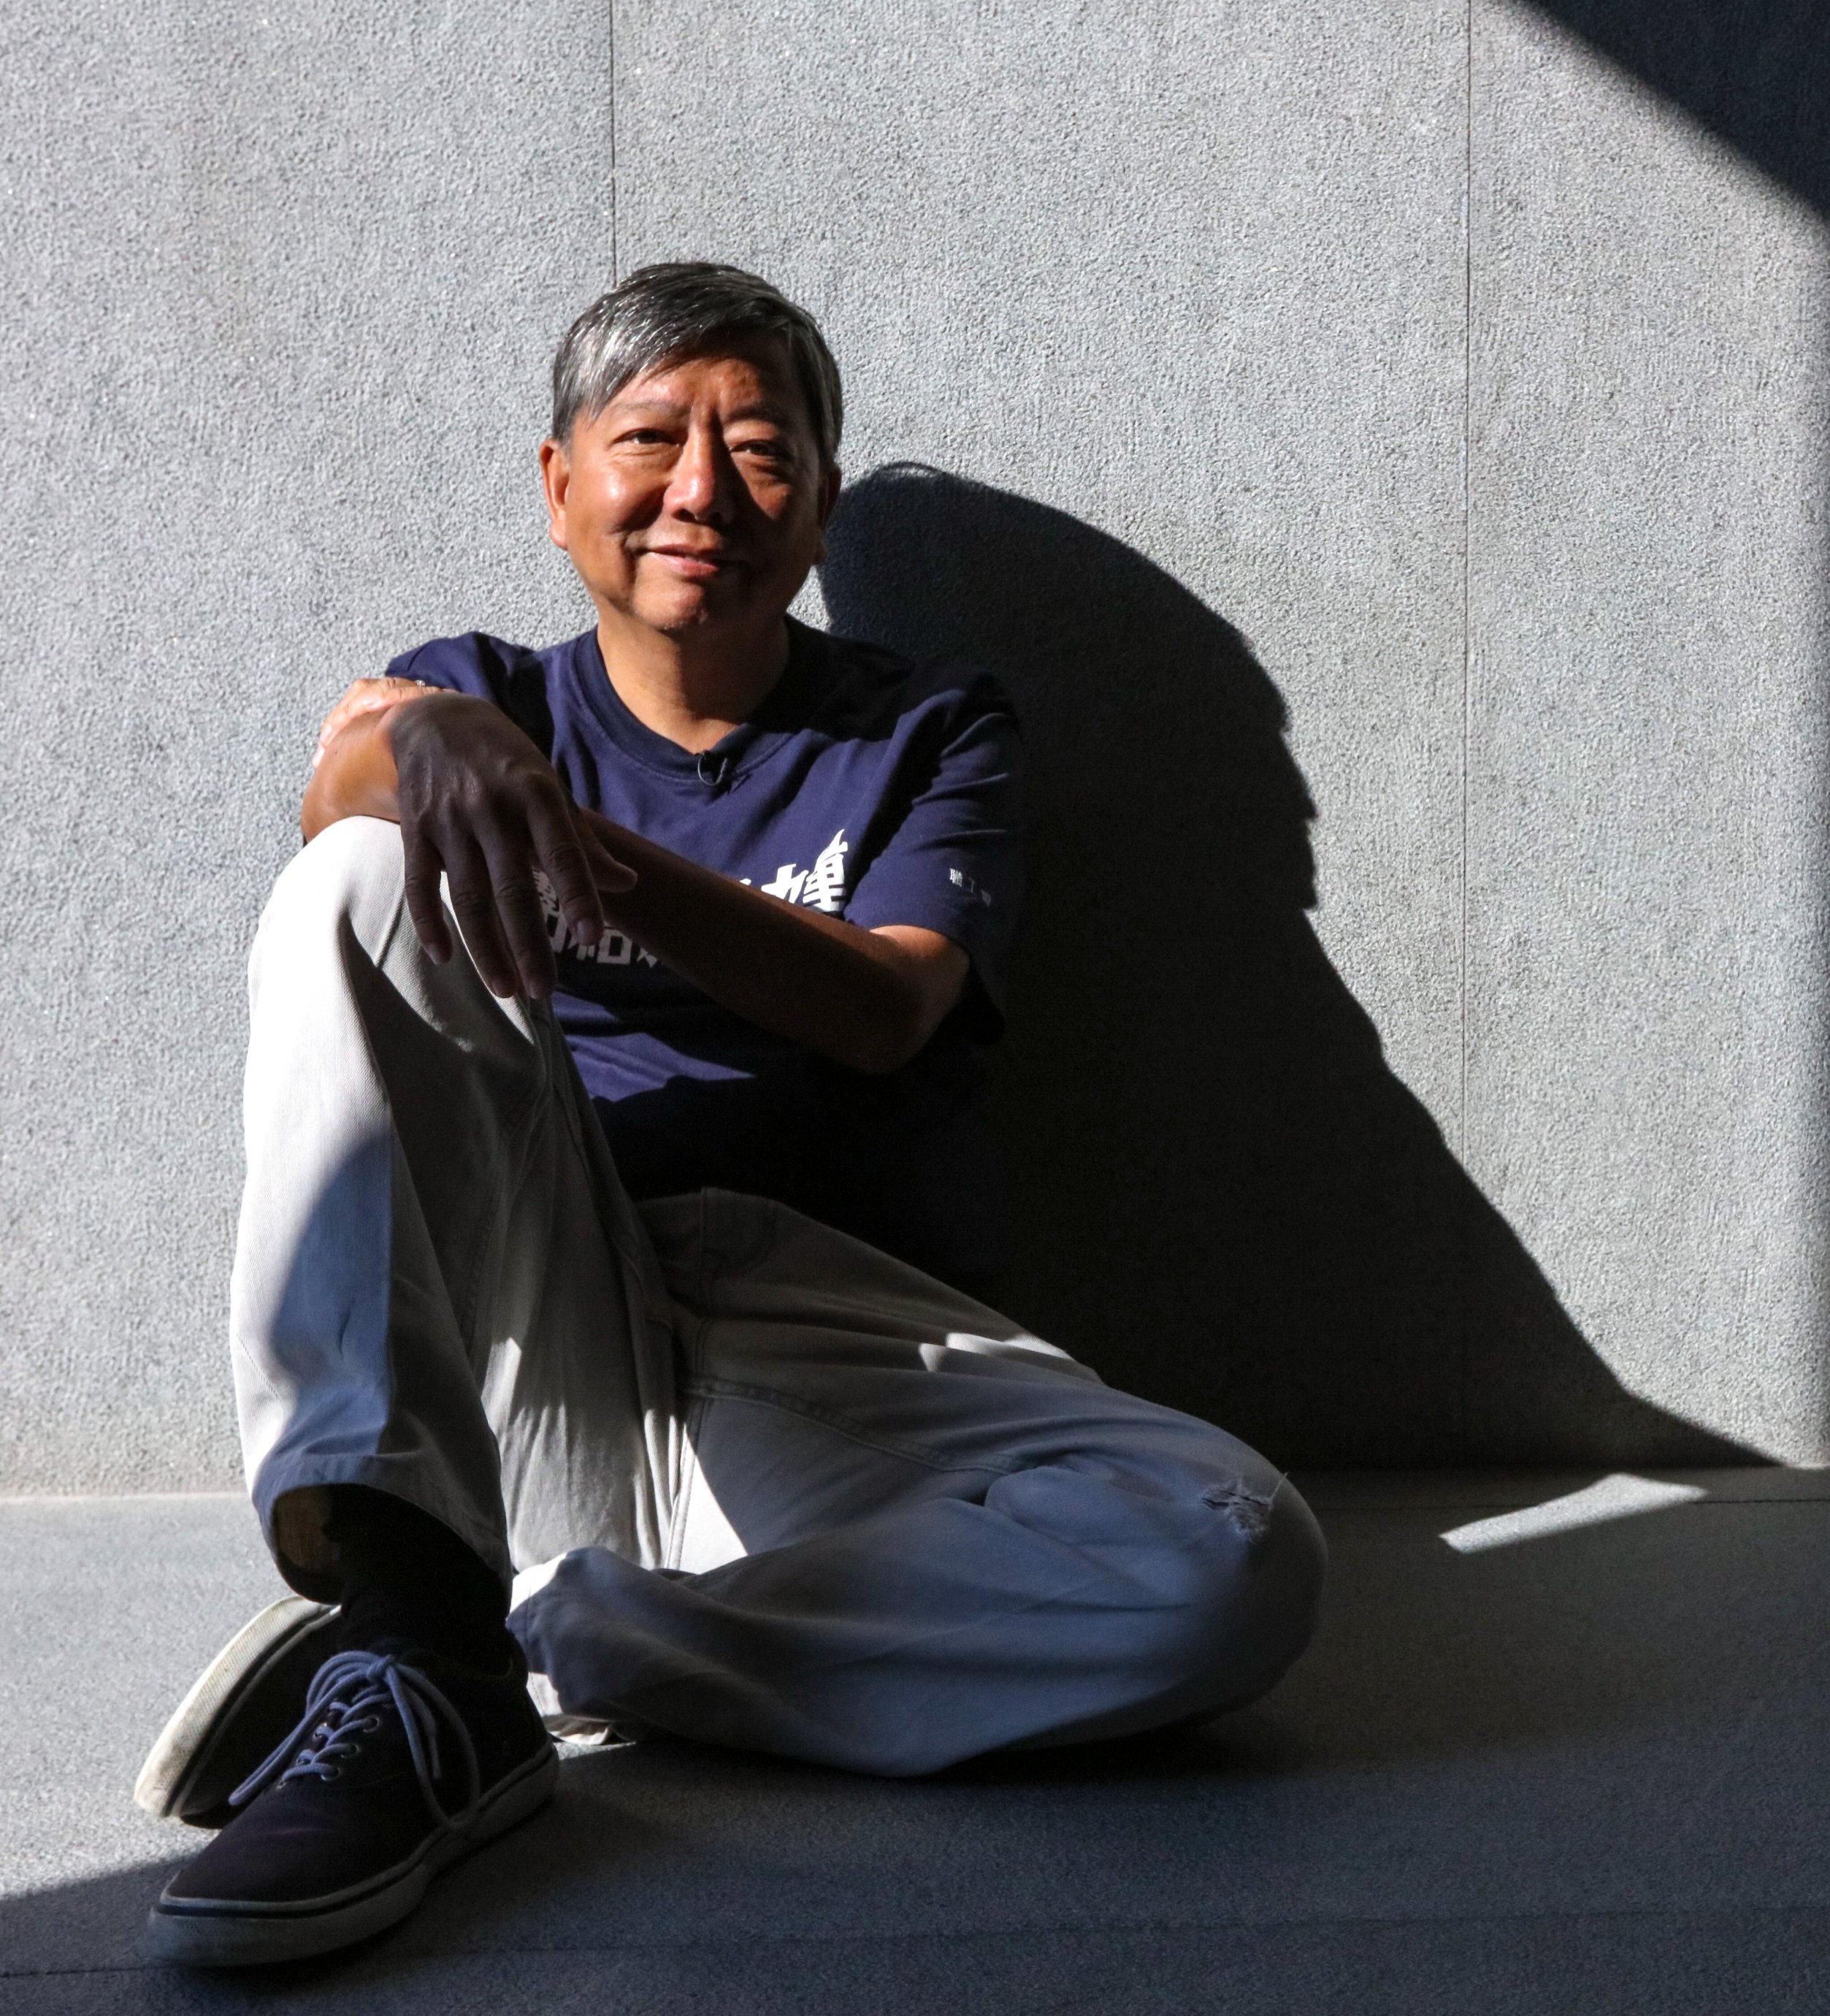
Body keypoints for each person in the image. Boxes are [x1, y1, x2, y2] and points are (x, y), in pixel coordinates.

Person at [136, 263, 1327, 1967]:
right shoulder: (481, 698)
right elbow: (341, 804)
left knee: (1234, 1566)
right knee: (355, 875)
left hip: (839, 1336)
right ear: (560, 487)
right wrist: (428, 743)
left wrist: (583, 853)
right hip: (558, 1304)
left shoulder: (923, 729)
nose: (700, 489)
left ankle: (528, 1637)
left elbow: (882, 1002)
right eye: (648, 441)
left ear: (820, 502)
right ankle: (410, 1603)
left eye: (758, 448)